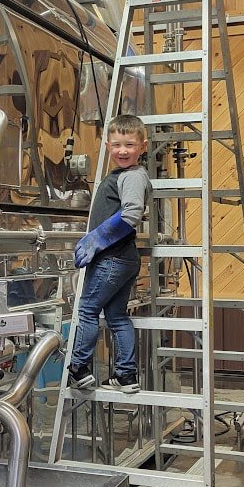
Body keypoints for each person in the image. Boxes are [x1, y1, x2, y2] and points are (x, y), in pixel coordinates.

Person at [68, 114, 149, 394]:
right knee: (116, 317)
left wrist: (97, 239)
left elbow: (131, 215)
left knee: (88, 310)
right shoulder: (120, 176)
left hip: (112, 259)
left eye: (129, 144)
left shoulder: (132, 176)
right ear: (107, 146)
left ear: (143, 146)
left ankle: (79, 368)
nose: (123, 151)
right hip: (122, 259)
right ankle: (126, 376)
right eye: (117, 145)